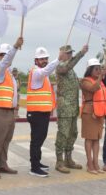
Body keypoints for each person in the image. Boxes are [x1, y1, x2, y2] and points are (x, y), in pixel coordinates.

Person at [27, 47, 66, 177]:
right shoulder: (36, 72)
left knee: (40, 138)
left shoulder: (43, 75)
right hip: (36, 112)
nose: (44, 61)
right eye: (42, 59)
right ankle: (34, 167)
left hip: (42, 112)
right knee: (36, 140)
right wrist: (58, 59)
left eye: (45, 59)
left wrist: (50, 109)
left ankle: (37, 162)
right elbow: (46, 70)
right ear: (36, 60)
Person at [0, 37, 23, 179]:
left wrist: (15, 108)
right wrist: (15, 47)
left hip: (9, 110)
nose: (5, 58)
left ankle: (2, 164)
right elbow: (6, 62)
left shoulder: (9, 74)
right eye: (3, 55)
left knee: (6, 139)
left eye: (6, 55)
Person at [54, 44, 88, 174]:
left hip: (73, 107)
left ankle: (68, 159)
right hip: (65, 108)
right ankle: (59, 161)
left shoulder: (72, 70)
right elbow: (68, 66)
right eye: (68, 53)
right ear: (62, 54)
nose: (70, 55)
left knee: (73, 133)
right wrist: (81, 53)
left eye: (71, 53)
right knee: (63, 134)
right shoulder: (61, 66)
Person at [80, 58, 106, 174]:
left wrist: (102, 77)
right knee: (89, 138)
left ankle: (96, 163)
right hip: (89, 111)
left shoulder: (100, 81)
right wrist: (101, 77)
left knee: (96, 138)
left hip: (99, 112)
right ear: (89, 70)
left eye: (99, 69)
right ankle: (90, 163)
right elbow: (93, 89)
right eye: (96, 69)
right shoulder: (85, 81)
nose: (98, 71)